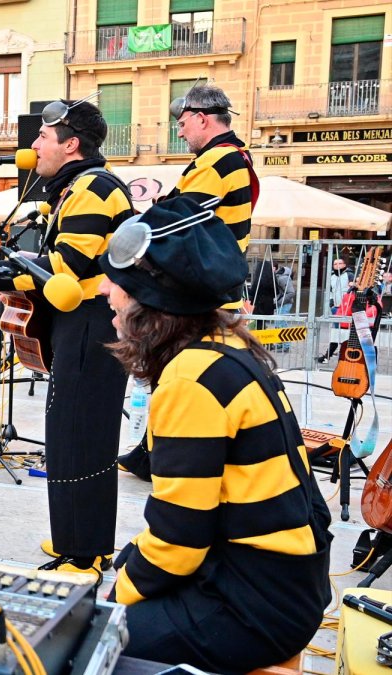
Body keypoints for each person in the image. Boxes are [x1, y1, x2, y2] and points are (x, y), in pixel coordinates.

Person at [98, 196, 331, 671]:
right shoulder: (224, 347)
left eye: (117, 281)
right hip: (284, 582)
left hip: (253, 604)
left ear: (151, 302)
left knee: (89, 639)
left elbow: (179, 542)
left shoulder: (189, 379)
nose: (104, 289)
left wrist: (114, 596)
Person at [0, 95, 132, 573]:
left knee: (82, 437)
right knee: (69, 435)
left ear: (70, 145)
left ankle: (86, 553)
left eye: (42, 136)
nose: (33, 145)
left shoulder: (93, 188)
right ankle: (76, 539)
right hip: (83, 323)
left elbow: (65, 268)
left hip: (94, 324)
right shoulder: (76, 188)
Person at [168, 84, 259, 278]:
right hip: (226, 277)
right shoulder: (239, 152)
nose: (180, 134)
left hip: (206, 287)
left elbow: (174, 228)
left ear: (201, 119)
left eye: (182, 125)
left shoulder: (214, 161)